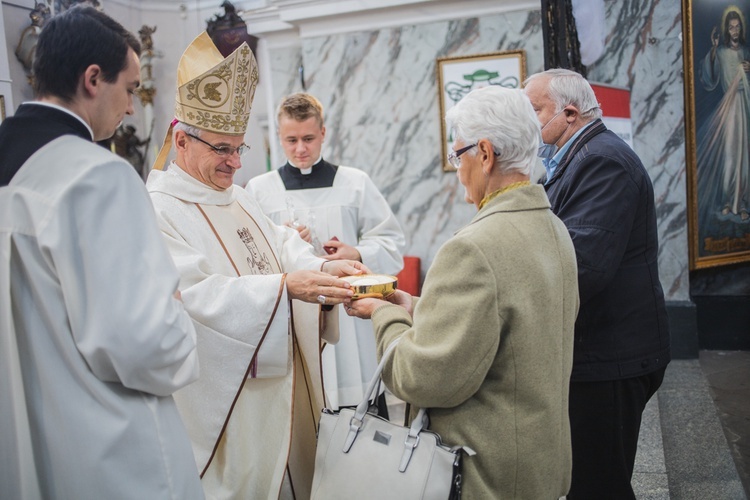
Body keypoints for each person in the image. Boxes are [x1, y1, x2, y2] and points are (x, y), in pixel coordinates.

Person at [146, 32, 368, 499]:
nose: (233, 163)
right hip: (233, 406)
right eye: (221, 149)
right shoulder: (157, 210)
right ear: (181, 140)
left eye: (238, 148)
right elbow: (191, 299)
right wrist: (285, 288)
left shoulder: (238, 198)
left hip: (287, 391)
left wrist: (322, 273)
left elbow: (283, 245)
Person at [0, 6, 203, 499]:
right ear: (94, 79)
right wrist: (176, 316)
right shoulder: (96, 176)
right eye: (130, 89)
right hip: (107, 454)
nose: (132, 107)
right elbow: (143, 344)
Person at [347, 85, 579, 498]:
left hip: (486, 473)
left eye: (459, 155)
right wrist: (417, 307)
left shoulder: (474, 247)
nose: (457, 170)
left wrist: (383, 314)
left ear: (485, 154)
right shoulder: (552, 227)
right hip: (539, 462)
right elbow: (511, 323)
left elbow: (422, 377)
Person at [524, 68, 671, 499]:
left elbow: (583, 267)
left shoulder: (602, 160)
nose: (528, 121)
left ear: (569, 112)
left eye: (534, 110)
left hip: (611, 356)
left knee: (597, 484)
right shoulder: (577, 157)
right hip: (599, 350)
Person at [246, 92, 405, 415]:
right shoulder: (259, 190)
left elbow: (392, 241)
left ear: (323, 133)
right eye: (291, 140)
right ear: (279, 136)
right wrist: (284, 241)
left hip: (350, 321)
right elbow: (251, 257)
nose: (300, 149)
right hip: (295, 317)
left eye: (308, 138)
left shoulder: (355, 183)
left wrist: (356, 252)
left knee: (360, 421)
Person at [698, 6, 750, 224]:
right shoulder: (719, 52)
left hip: (745, 104)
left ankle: (743, 202)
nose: (735, 31)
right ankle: (728, 202)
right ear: (726, 30)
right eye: (731, 27)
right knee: (730, 155)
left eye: (738, 27)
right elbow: (709, 80)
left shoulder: (746, 53)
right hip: (729, 108)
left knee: (745, 157)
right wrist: (712, 50)